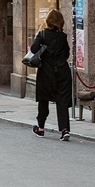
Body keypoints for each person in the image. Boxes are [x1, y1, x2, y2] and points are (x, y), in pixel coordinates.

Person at [31, 9, 72, 141]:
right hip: (62, 71)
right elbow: (66, 54)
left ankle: (41, 128)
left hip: (46, 71)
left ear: (47, 21)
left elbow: (33, 49)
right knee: (62, 101)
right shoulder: (63, 37)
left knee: (43, 99)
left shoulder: (42, 34)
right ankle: (64, 129)